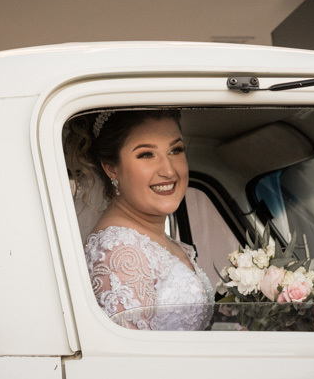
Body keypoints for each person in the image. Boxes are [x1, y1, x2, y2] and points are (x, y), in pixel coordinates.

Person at [65, 109, 214, 331]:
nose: (168, 170)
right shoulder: (120, 253)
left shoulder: (155, 240)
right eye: (146, 154)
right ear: (111, 168)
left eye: (175, 150)